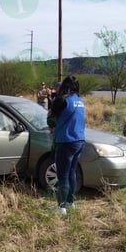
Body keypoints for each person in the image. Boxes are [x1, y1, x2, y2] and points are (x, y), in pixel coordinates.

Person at [47, 75, 85, 215]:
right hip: (79, 140)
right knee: (71, 173)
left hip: (65, 140)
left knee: (62, 175)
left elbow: (51, 120)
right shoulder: (80, 101)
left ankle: (61, 207)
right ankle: (70, 203)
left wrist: (50, 119)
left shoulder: (62, 100)